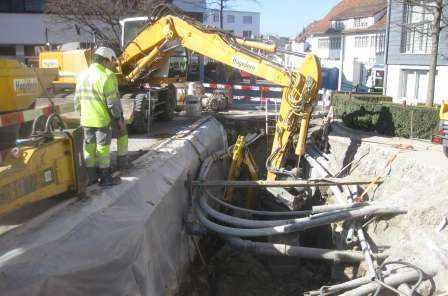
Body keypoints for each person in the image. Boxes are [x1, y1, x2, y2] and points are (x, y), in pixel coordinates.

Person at [74, 47, 130, 186]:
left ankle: (91, 177)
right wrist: (118, 119)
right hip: (100, 119)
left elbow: (77, 101)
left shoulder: (81, 76)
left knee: (89, 148)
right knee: (102, 148)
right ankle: (105, 177)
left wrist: (82, 114)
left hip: (86, 119)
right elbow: (112, 103)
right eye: (112, 62)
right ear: (105, 61)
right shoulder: (106, 76)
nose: (112, 65)